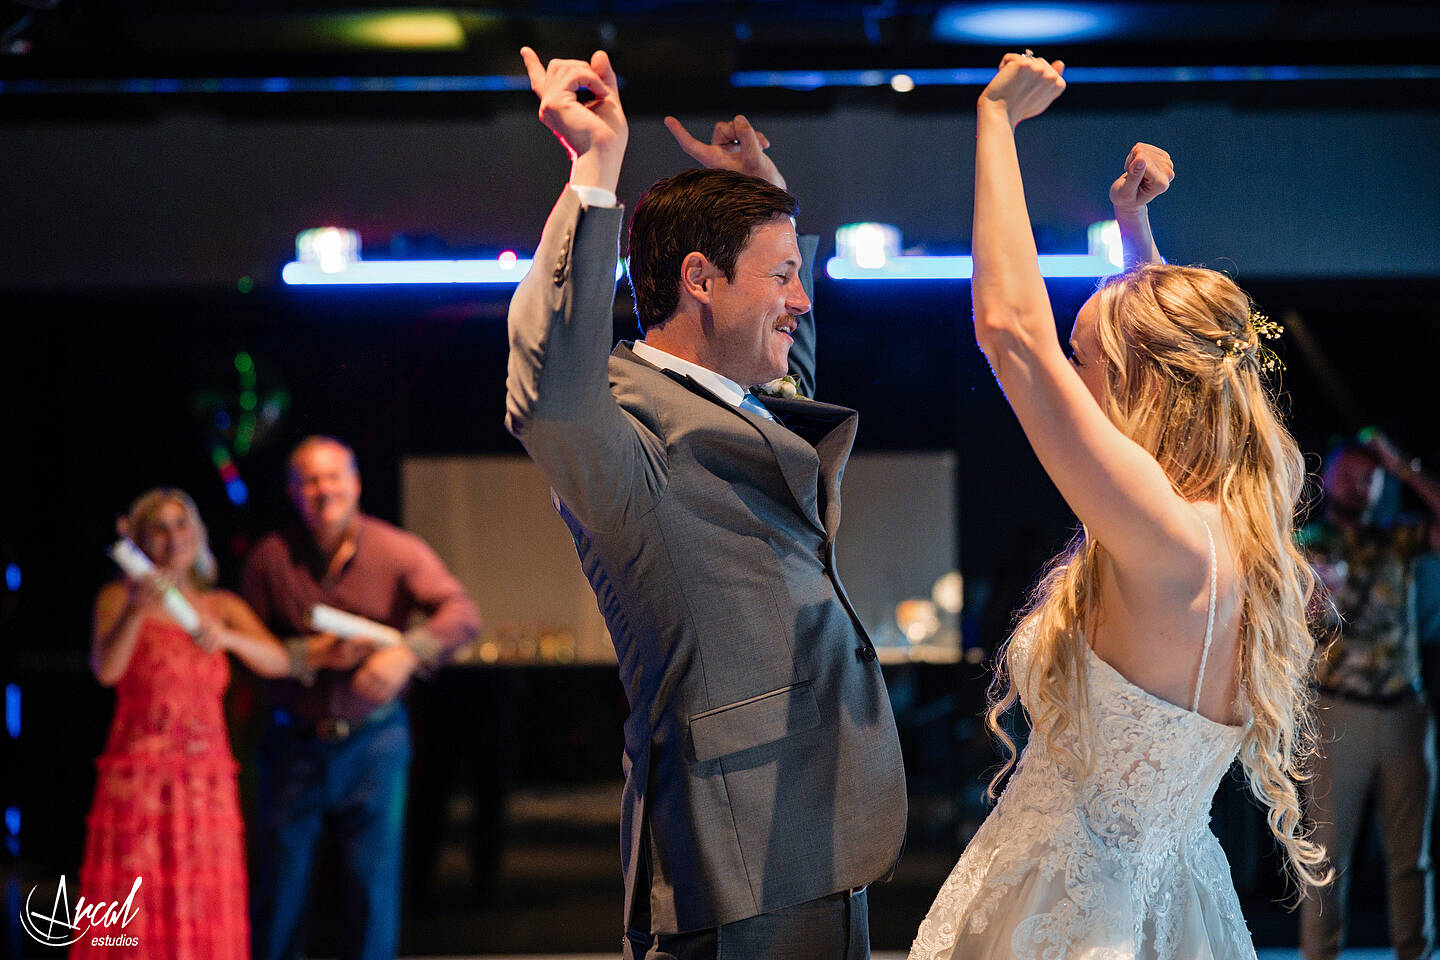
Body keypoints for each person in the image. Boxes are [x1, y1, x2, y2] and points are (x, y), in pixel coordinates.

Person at [909, 54, 1329, 957]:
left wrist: (995, 121)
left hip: (1067, 904)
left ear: (1140, 387)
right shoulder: (1226, 529)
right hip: (1167, 895)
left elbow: (1009, 334)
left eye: (1083, 360)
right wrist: (1134, 232)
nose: (1073, 382)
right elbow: (1184, 357)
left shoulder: (1163, 537)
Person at [508, 48, 906, 960]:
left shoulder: (733, 400)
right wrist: (593, 171)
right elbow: (546, 393)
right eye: (780, 275)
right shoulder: (627, 434)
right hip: (732, 867)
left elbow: (787, 366)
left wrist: (765, 196)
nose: (802, 298)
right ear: (698, 280)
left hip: (815, 839)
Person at [241, 436, 481, 960]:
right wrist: (311, 653)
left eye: (333, 477)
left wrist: (407, 655)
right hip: (293, 743)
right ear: (291, 491)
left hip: (373, 743)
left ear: (355, 483)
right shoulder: (270, 558)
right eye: (309, 480)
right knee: (280, 889)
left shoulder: (395, 549)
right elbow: (245, 647)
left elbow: (461, 614)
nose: (323, 490)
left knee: (372, 888)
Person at [75, 488, 288, 960]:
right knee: (136, 895)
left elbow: (277, 660)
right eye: (160, 527)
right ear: (142, 539)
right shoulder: (116, 598)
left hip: (204, 782)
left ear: (197, 535)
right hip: (140, 777)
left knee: (201, 897)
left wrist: (227, 637)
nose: (172, 537)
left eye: (181, 524)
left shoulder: (220, 606)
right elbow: (106, 670)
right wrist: (136, 606)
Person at [1300, 432, 1440, 960]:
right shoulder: (1302, 543)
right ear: (1326, 478)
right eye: (1350, 472)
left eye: (1370, 474)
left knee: (1412, 858)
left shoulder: (1398, 538)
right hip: (1336, 711)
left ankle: (1416, 954)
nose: (1360, 482)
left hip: (1406, 710)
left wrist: (1403, 467)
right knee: (1325, 857)